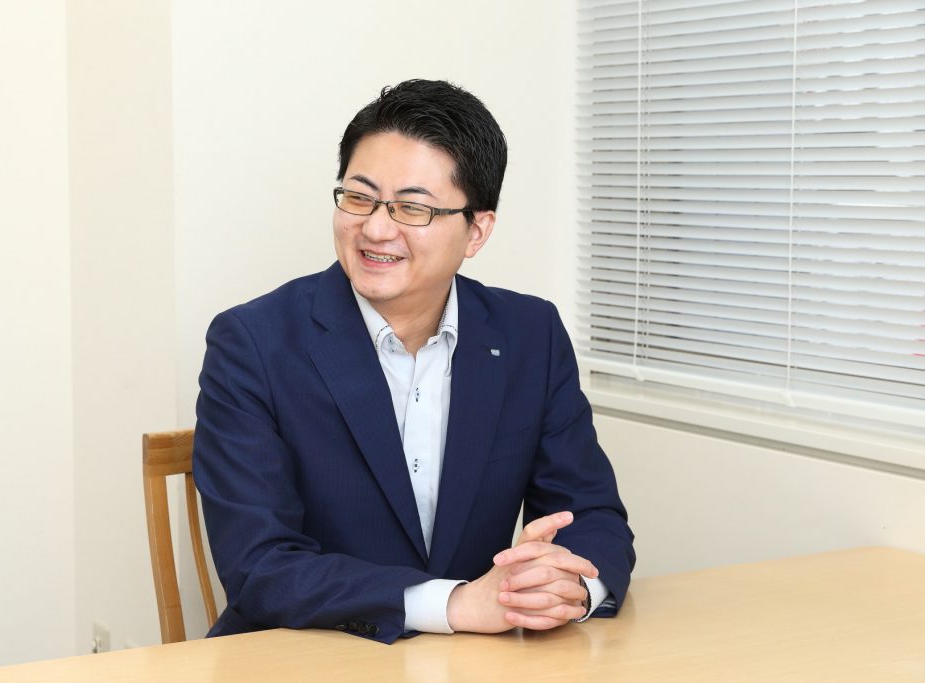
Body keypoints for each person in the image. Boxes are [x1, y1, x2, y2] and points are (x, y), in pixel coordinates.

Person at [193, 79, 635, 644]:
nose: (376, 229)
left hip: (473, 661)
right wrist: (454, 605)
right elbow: (260, 565)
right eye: (359, 197)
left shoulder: (530, 334)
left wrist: (568, 588)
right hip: (304, 654)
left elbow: (591, 515)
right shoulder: (252, 343)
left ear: (476, 231)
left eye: (413, 207)